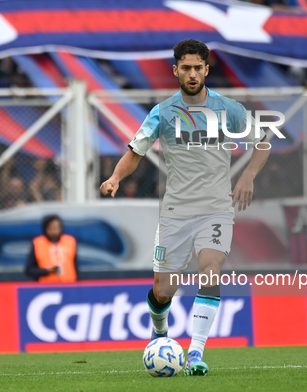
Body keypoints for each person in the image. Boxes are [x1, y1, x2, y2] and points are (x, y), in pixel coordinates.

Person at [100, 39, 271, 376]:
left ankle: (195, 354)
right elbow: (136, 151)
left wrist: (248, 176)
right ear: (175, 70)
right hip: (176, 212)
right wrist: (116, 177)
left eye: (198, 67)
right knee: (164, 291)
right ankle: (160, 333)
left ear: (207, 69)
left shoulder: (228, 109)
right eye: (186, 68)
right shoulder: (162, 112)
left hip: (216, 209)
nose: (193, 74)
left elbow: (262, 142)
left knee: (210, 271)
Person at [25, 215, 77, 283]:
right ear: (46, 229)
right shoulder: (38, 243)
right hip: (47, 286)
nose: (54, 231)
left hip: (69, 285)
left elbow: (75, 266)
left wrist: (77, 286)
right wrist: (47, 271)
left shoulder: (70, 241)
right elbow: (29, 270)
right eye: (51, 228)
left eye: (57, 228)